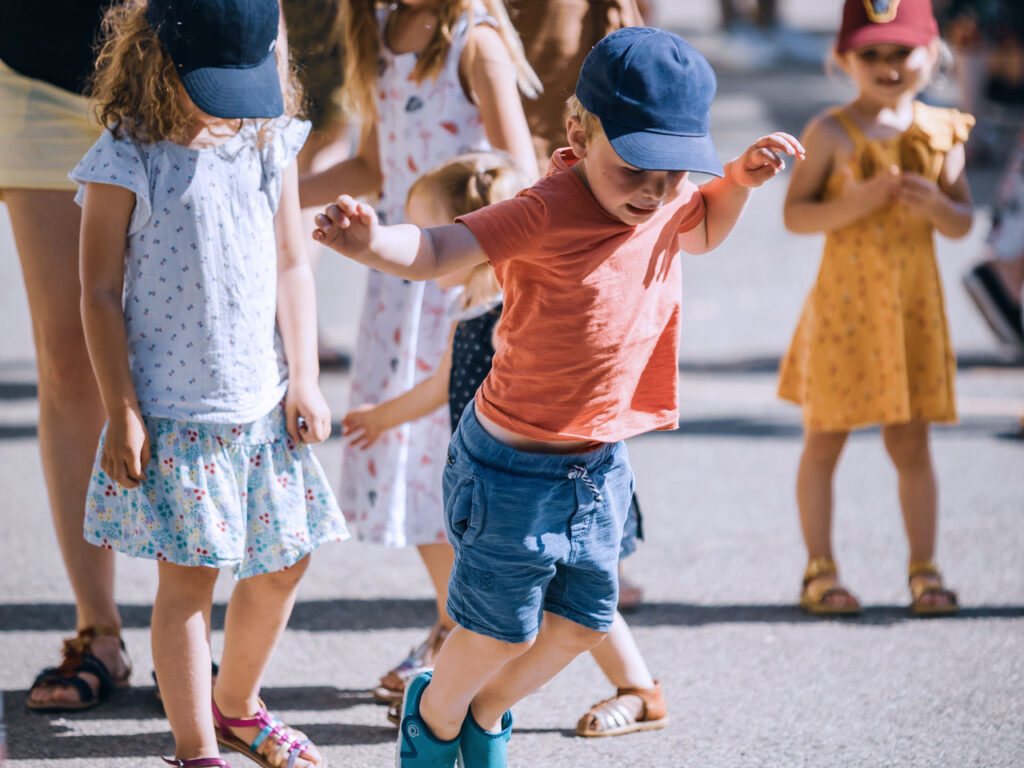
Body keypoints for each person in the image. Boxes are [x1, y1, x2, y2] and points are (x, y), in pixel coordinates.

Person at [314, 26, 801, 766]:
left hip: (598, 462)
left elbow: (701, 230)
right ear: (579, 132)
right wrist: (371, 242)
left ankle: (485, 710)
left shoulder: (667, 197)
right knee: (499, 631)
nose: (655, 190)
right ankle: (434, 715)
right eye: (636, 167)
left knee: (583, 622)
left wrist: (734, 181)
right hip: (511, 467)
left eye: (675, 170)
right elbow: (441, 248)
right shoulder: (543, 209)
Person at [74, 0, 349, 765]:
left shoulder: (266, 138)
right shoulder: (127, 154)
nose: (231, 101)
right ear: (159, 56)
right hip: (178, 413)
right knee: (190, 585)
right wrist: (122, 408)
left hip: (262, 404)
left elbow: (293, 263)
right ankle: (197, 751)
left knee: (286, 561)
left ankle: (237, 705)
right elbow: (98, 291)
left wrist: (305, 378)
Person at [342, 151, 666, 738]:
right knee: (547, 601)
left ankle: (636, 687)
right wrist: (382, 418)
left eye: (429, 224)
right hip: (510, 474)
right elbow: (441, 384)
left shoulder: (511, 305)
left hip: (553, 475)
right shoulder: (468, 307)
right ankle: (465, 687)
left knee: (580, 600)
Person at [299, 0, 540, 707]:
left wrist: (496, 286)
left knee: (448, 458)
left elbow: (520, 180)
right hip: (398, 284)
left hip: (462, 284)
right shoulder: (377, 31)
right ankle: (452, 623)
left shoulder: (476, 42)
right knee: (410, 461)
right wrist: (273, 197)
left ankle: (462, 633)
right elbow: (373, 166)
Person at [778, 0, 972, 617]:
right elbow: (795, 215)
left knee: (912, 445)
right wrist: (856, 202)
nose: (888, 65)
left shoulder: (943, 131)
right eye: (871, 54)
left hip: (911, 315)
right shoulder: (831, 132)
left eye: (901, 52)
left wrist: (937, 207)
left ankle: (924, 568)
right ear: (844, 59)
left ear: (931, 54)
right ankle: (820, 568)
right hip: (844, 314)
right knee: (824, 442)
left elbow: (963, 221)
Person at [0, 0, 133, 712]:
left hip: (183, 77)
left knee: (184, 360)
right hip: (37, 73)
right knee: (65, 359)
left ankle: (189, 633)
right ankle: (98, 629)